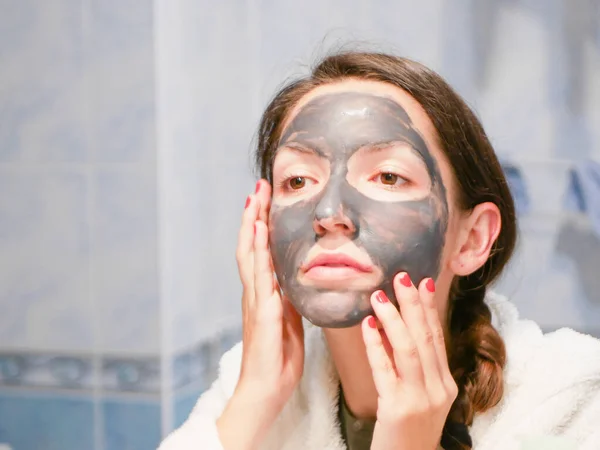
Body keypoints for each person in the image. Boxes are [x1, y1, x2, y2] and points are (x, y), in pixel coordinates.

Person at [158, 51, 600, 450]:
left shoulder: (570, 401)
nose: (329, 212)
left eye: (388, 176)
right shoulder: (251, 386)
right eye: (297, 181)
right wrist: (254, 399)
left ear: (472, 239)